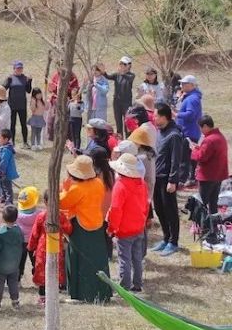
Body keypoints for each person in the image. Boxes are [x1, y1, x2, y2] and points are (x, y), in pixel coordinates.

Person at [59, 155, 111, 303]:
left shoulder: (77, 189)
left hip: (81, 228)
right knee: (98, 259)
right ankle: (102, 292)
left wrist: (65, 188)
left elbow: (62, 202)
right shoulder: (98, 183)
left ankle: (80, 294)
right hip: (97, 225)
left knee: (78, 259)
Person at [108, 152, 150, 291]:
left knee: (124, 258)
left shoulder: (120, 186)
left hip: (124, 229)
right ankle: (137, 284)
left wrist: (112, 228)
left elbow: (116, 209)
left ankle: (124, 286)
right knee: (137, 258)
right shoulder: (142, 184)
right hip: (139, 227)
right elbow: (146, 205)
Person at [28, 190, 71, 306]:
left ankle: (42, 297)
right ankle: (53, 296)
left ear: (45, 201)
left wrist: (31, 247)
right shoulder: (60, 216)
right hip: (56, 246)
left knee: (42, 272)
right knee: (56, 270)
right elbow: (68, 229)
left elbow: (34, 233)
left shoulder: (41, 216)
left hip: (43, 248)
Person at [151, 104, 183, 256]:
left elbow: (176, 160)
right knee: (159, 209)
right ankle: (166, 237)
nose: (154, 118)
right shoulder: (159, 132)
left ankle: (173, 241)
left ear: (164, 117)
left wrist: (173, 180)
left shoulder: (174, 135)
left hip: (167, 179)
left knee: (170, 210)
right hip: (156, 176)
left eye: (156, 115)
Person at [0, 205, 24, 308]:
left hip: (1, 264)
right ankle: (15, 301)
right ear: (16, 217)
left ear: (3, 217)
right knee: (13, 282)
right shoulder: (19, 231)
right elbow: (21, 242)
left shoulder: (0, 233)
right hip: (14, 263)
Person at [191, 115, 229, 214]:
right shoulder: (220, 136)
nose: (200, 131)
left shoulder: (209, 140)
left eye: (200, 128)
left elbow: (201, 157)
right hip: (218, 175)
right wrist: (199, 148)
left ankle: (201, 222)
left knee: (202, 203)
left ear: (205, 126)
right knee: (213, 203)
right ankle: (213, 221)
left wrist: (194, 150)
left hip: (207, 176)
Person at [175, 75, 204, 185]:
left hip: (188, 131)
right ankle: (191, 178)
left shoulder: (192, 99)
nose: (181, 85)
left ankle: (183, 179)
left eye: (184, 84)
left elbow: (190, 115)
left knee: (185, 157)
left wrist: (177, 115)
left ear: (192, 85)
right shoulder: (190, 97)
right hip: (190, 131)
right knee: (191, 157)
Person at [2, 62, 32, 146]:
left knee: (23, 124)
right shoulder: (11, 78)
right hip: (12, 105)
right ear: (14, 69)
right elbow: (3, 88)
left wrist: (29, 81)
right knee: (12, 124)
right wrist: (7, 81)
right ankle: (12, 142)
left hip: (22, 105)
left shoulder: (25, 78)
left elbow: (28, 90)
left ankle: (25, 142)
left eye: (21, 68)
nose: (19, 70)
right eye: (18, 68)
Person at [105, 57, 136, 136]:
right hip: (117, 102)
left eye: (124, 64)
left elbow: (129, 79)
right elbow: (108, 76)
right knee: (118, 122)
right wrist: (102, 72)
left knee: (127, 122)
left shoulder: (131, 75)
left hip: (127, 103)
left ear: (129, 65)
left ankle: (128, 140)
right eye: (121, 63)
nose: (122, 65)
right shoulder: (117, 75)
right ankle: (120, 140)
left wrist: (122, 73)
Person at [16, 187, 39, 279]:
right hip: (34, 241)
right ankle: (37, 276)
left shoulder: (17, 214)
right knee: (35, 260)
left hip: (21, 241)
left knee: (20, 260)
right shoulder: (38, 214)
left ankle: (18, 277)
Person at [0, 129, 19, 205]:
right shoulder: (3, 147)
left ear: (6, 139)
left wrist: (1, 172)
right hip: (3, 172)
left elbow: (3, 162)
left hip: (5, 172)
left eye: (0, 138)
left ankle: (9, 202)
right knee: (2, 186)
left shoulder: (6, 150)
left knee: (7, 187)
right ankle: (4, 198)